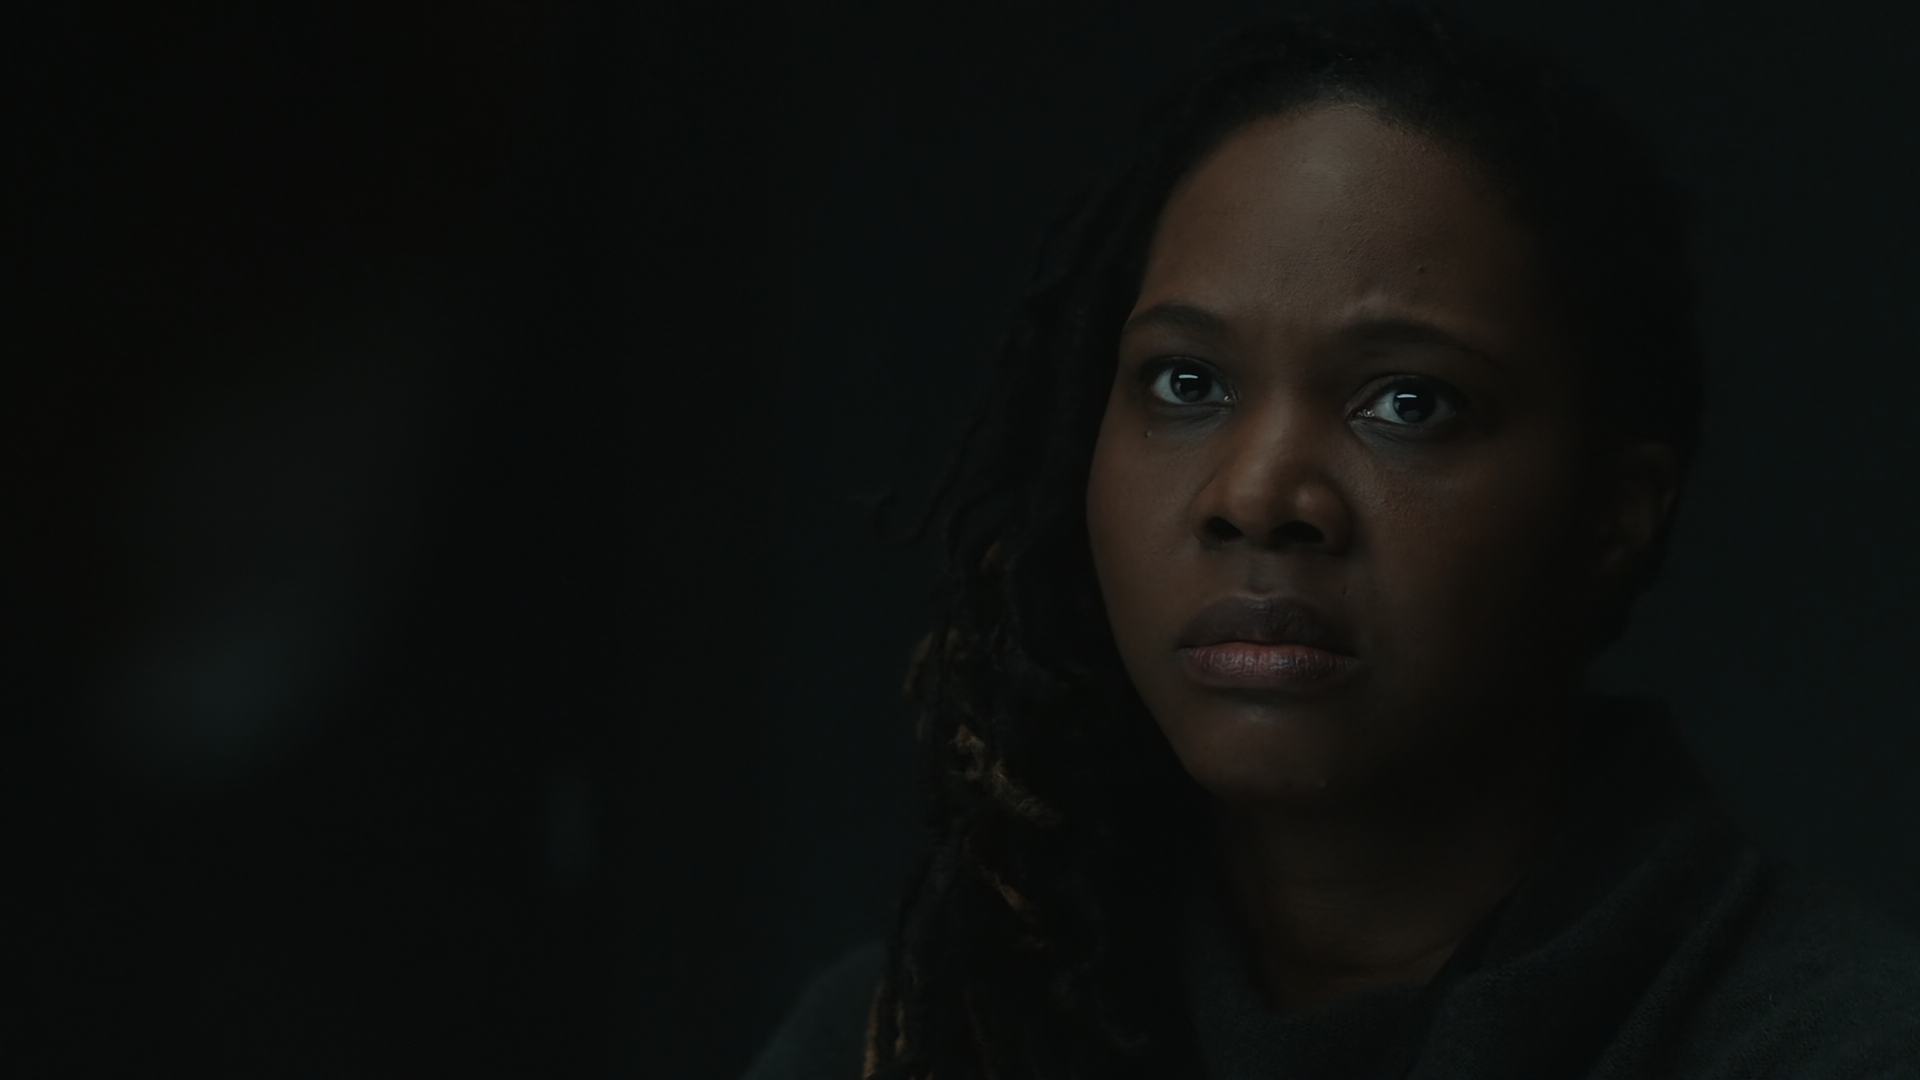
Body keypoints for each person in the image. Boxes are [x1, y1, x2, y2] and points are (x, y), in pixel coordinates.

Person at [745, 4, 1920, 1078]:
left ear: (1615, 515)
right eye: (1188, 382)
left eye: (1408, 401)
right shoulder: (915, 1035)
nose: (1258, 494)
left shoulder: (1830, 1046)